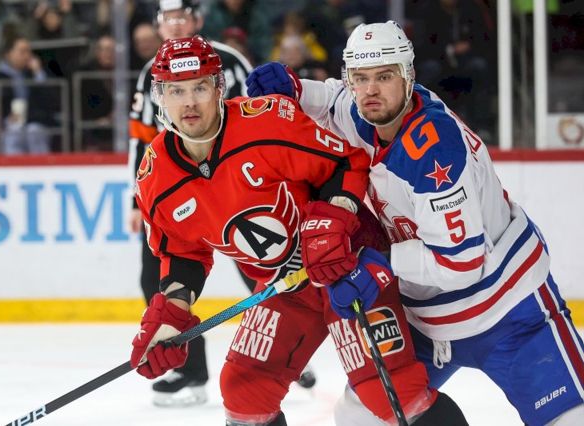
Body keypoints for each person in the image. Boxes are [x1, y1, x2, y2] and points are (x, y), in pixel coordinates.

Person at [246, 20, 584, 426]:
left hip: (508, 312)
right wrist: (295, 88)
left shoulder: (433, 150)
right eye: (360, 78)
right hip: (424, 321)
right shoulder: (365, 110)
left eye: (384, 76)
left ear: (409, 76)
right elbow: (332, 100)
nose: (371, 90)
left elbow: (462, 264)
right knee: (361, 415)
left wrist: (375, 261)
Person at [129, 34, 468, 426]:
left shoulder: (266, 121)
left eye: (200, 87)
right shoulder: (155, 177)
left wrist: (333, 222)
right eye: (177, 91)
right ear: (160, 97)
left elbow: (344, 163)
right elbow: (182, 253)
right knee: (244, 390)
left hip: (346, 264)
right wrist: (171, 315)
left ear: (219, 88)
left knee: (389, 389)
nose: (189, 102)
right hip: (285, 286)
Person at [126, 0, 257, 407]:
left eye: (182, 16)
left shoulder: (229, 61)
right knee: (160, 278)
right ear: (158, 25)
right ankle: (190, 369)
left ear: (197, 19)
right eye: (168, 19)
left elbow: (258, 118)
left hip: (236, 187)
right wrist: (136, 199)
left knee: (258, 266)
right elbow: (140, 137)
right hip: (176, 191)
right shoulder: (151, 73)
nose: (176, 24)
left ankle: (282, 342)